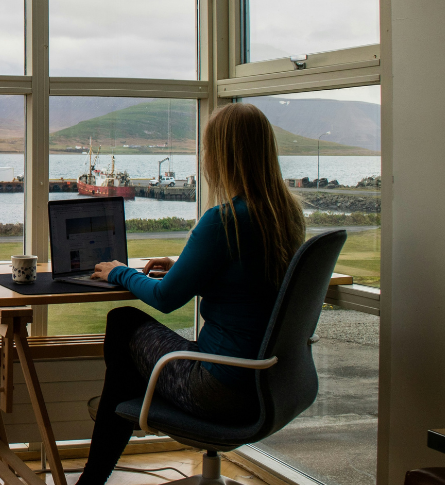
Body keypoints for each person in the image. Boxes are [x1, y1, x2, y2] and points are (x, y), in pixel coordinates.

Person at [75, 103, 307, 485]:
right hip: (272, 384)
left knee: (123, 322)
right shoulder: (286, 216)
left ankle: (104, 451)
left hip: (217, 389)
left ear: (221, 156)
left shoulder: (223, 221)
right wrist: (186, 266)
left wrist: (121, 273)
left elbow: (166, 299)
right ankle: (118, 415)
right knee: (127, 365)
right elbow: (246, 278)